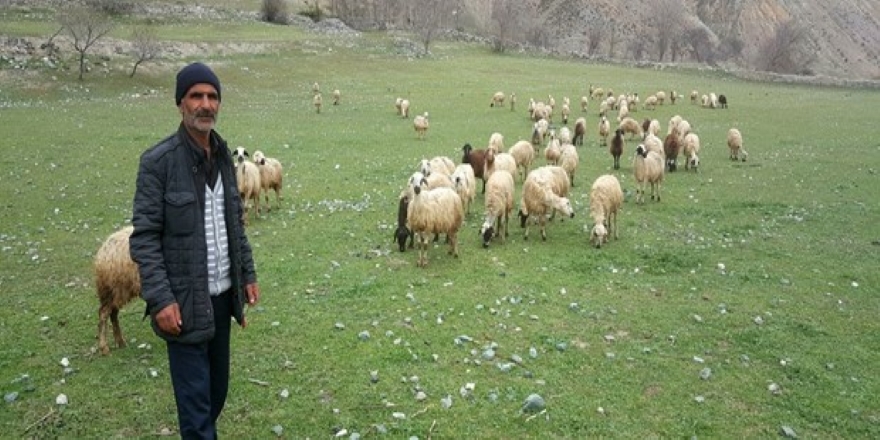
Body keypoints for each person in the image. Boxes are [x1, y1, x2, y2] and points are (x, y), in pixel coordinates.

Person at [129, 62, 260, 439]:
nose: (205, 104)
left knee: (216, 393)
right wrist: (160, 299)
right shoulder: (158, 163)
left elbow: (235, 224)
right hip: (182, 304)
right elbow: (144, 238)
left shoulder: (224, 157)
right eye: (196, 96)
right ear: (180, 103)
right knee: (196, 411)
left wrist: (247, 273)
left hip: (222, 299)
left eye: (212, 96)